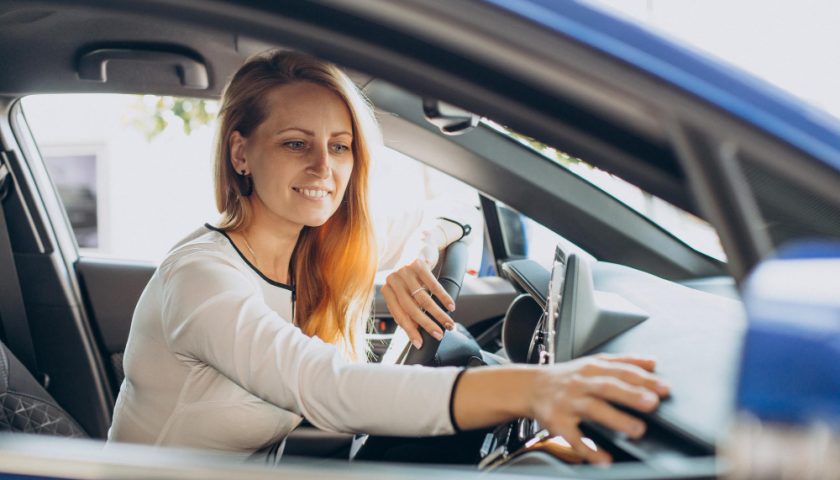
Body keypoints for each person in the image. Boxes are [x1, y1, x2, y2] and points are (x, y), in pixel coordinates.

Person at [108, 50, 669, 465]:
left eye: (340, 145)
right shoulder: (202, 278)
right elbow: (327, 387)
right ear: (241, 153)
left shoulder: (311, 250)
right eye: (295, 144)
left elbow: (452, 211)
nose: (323, 169)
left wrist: (413, 260)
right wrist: (533, 389)